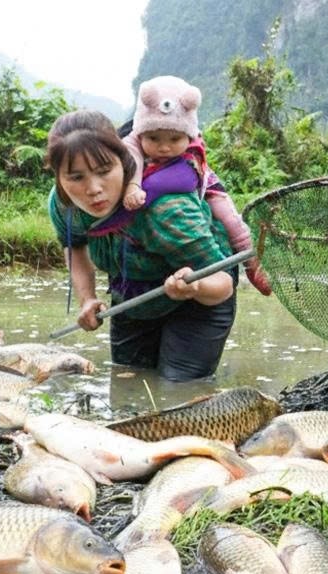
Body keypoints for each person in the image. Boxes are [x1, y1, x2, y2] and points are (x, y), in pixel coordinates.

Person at [45, 109, 237, 382]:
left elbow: (223, 283)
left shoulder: (166, 210)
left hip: (200, 295)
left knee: (178, 389)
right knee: (128, 382)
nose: (94, 189)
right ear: (59, 178)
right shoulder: (65, 206)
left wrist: (195, 286)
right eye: (76, 178)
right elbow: (74, 247)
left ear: (124, 160)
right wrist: (86, 298)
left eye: (104, 171)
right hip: (134, 293)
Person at [121, 75, 272, 296]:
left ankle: (251, 261)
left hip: (206, 186)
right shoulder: (134, 138)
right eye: (154, 139)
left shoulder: (192, 152)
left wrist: (142, 193)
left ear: (187, 135)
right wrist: (133, 185)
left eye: (174, 140)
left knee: (231, 220)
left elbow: (181, 180)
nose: (164, 147)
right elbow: (130, 154)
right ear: (142, 132)